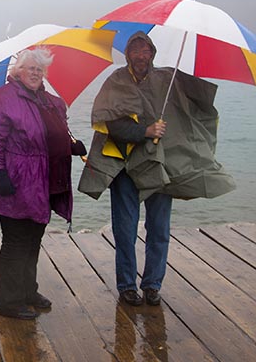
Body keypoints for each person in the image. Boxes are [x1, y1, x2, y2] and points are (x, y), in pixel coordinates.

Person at [78, 31, 234, 307]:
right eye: (136, 51)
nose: (141, 56)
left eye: (146, 50)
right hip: (125, 166)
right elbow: (109, 123)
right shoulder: (116, 81)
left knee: (159, 228)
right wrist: (145, 130)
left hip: (159, 164)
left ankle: (152, 284)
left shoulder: (167, 79)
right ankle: (127, 286)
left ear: (152, 53)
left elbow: (197, 105)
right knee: (125, 229)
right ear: (128, 54)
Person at [0, 47, 87, 320]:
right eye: (30, 68)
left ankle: (27, 291)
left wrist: (71, 146)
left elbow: (50, 134)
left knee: (34, 237)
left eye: (40, 69)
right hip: (16, 180)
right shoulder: (1, 98)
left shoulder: (51, 101)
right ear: (17, 71)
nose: (35, 73)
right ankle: (9, 302)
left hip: (45, 180)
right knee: (15, 241)